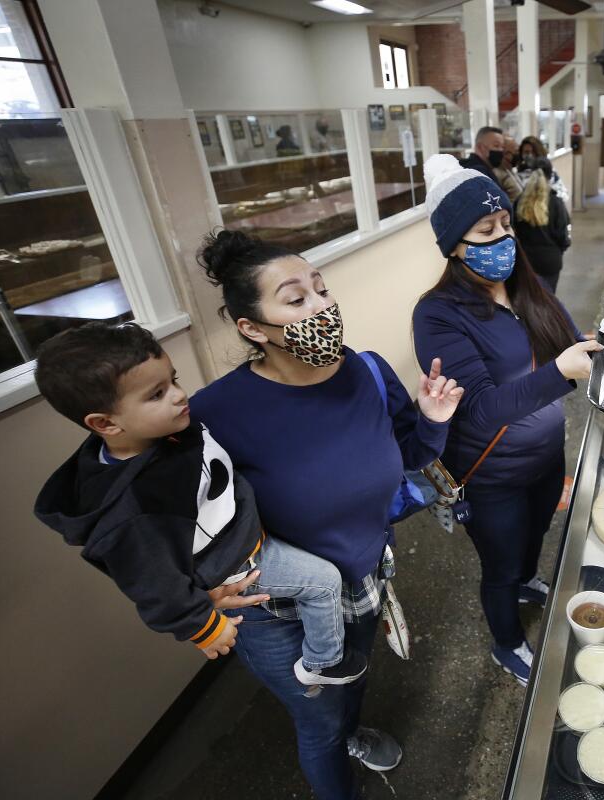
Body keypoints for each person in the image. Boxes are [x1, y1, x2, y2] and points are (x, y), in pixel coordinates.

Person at [189, 229, 464, 799]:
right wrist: (192, 592)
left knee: (350, 680)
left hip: (361, 577)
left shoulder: (365, 371)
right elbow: (155, 515)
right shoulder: (214, 413)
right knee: (316, 722)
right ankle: (336, 749)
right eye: (295, 299)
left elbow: (408, 455)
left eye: (321, 289)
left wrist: (433, 419)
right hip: (276, 608)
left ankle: (352, 730)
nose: (322, 306)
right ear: (251, 328)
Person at [32, 322, 370, 686]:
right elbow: (153, 585)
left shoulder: (170, 431)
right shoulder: (134, 508)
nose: (178, 395)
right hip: (236, 566)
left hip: (249, 535)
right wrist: (204, 628)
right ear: (105, 423)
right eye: (156, 394)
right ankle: (324, 661)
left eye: (174, 381)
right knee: (323, 582)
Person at [412, 154, 602, 685]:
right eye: (485, 231)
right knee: (498, 564)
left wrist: (599, 339)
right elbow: (479, 407)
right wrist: (560, 374)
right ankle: (507, 642)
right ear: (453, 245)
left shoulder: (527, 284)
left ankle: (525, 578)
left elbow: (566, 336)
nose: (503, 240)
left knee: (536, 531)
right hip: (489, 474)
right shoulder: (438, 314)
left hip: (543, 457)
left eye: (505, 225)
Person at [514, 157, 571, 292]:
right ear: (551, 176)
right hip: (550, 262)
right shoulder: (556, 203)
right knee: (548, 300)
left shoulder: (519, 202)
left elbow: (514, 231)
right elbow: (563, 236)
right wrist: (560, 249)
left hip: (526, 262)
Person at [516, 136, 570, 204]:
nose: (530, 155)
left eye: (534, 152)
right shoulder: (518, 175)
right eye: (526, 152)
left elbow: (564, 195)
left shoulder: (550, 172)